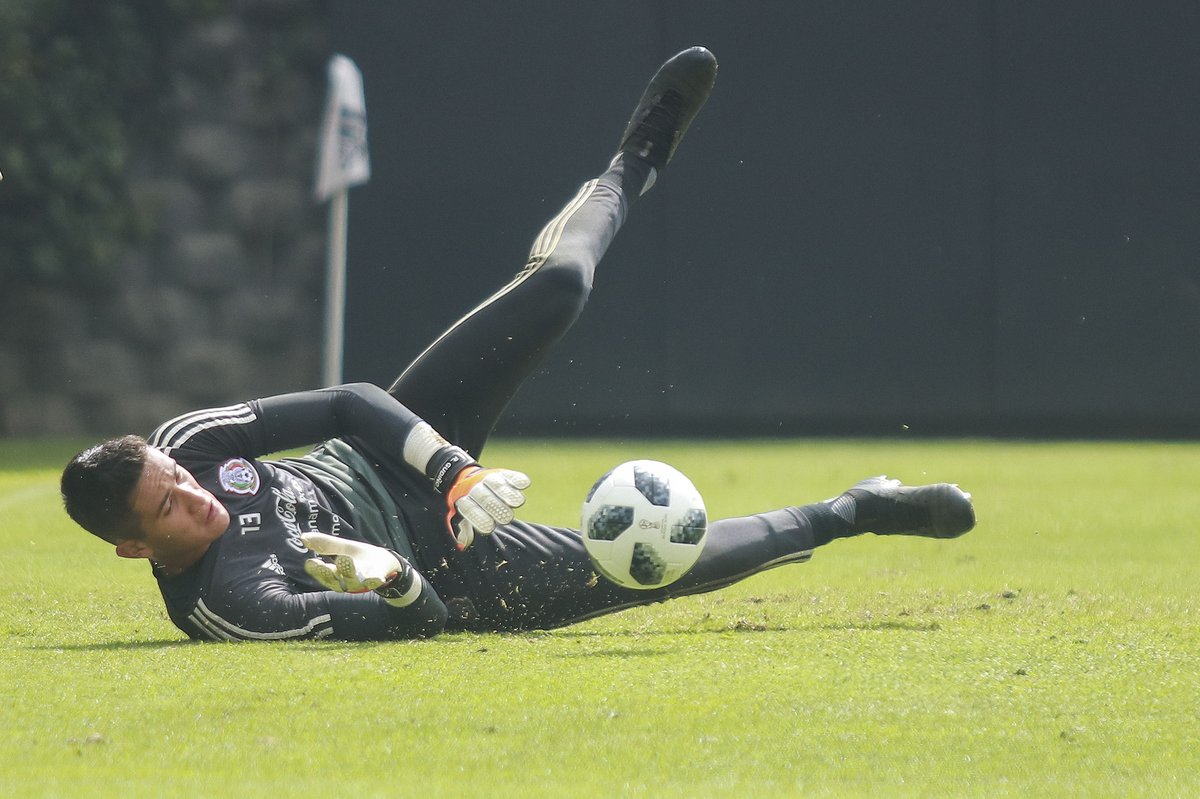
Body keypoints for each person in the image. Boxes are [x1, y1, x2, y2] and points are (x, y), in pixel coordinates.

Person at [60, 47, 976, 642]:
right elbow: (420, 626)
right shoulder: (232, 604)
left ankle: (635, 160)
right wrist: (392, 581)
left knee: (557, 288)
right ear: (137, 552)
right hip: (459, 567)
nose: (191, 493)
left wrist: (449, 468)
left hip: (390, 456)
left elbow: (344, 403)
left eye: (173, 480)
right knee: (656, 565)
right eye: (168, 509)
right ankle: (858, 509)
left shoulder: (187, 445)